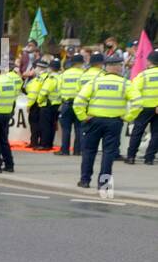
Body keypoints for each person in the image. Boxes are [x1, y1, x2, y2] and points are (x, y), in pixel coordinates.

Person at [75, 54, 129, 189]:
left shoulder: (95, 82)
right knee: (109, 153)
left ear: (106, 67)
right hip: (114, 122)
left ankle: (85, 180)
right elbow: (138, 102)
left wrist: (83, 116)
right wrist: (128, 117)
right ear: (119, 67)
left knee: (89, 151)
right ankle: (104, 184)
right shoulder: (125, 83)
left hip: (94, 121)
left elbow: (78, 101)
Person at [123, 49, 158, 165]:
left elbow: (133, 90)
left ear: (149, 62)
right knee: (156, 134)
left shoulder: (143, 75)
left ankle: (131, 156)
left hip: (144, 108)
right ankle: (149, 158)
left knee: (137, 131)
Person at [56, 54, 85, 155]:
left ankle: (65, 150)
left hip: (66, 103)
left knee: (66, 129)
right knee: (79, 128)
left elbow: (58, 89)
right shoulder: (83, 74)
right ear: (81, 63)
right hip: (79, 104)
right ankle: (77, 150)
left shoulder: (64, 74)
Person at [35, 59, 61, 151]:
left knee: (45, 126)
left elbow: (44, 91)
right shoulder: (60, 77)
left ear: (50, 68)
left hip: (48, 104)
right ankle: (49, 144)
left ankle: (44, 144)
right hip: (57, 104)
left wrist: (39, 100)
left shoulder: (51, 78)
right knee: (52, 126)